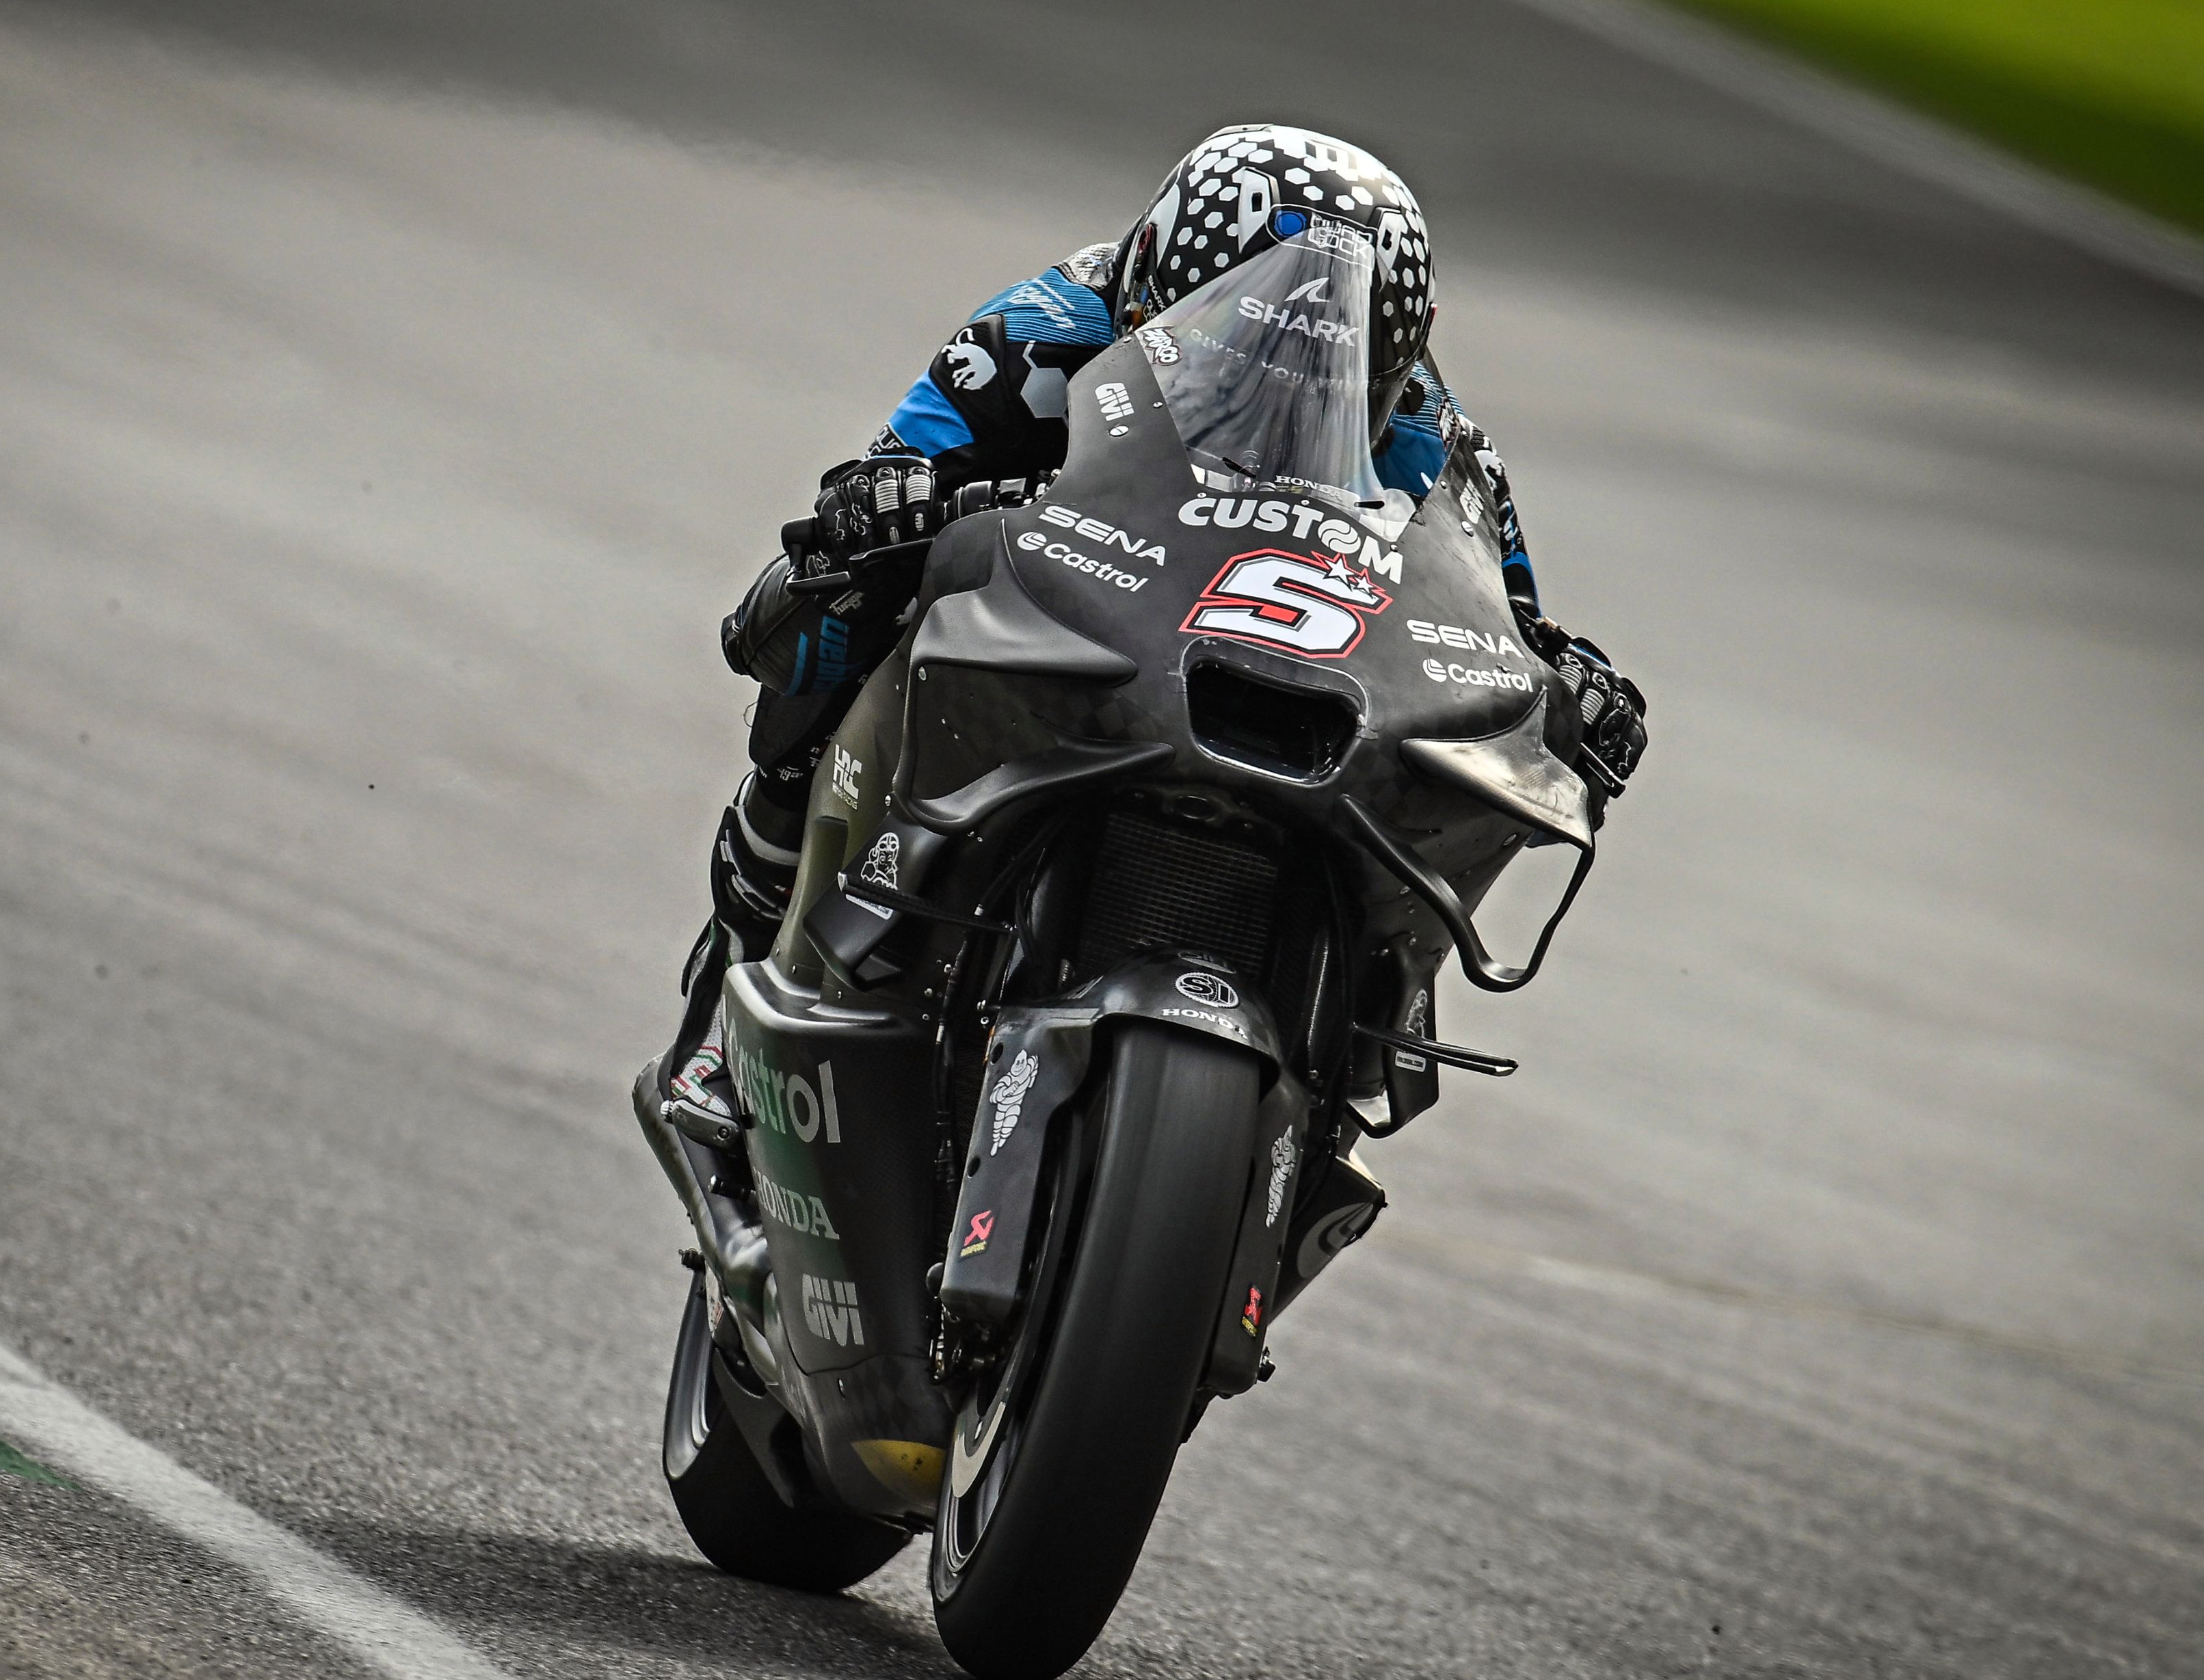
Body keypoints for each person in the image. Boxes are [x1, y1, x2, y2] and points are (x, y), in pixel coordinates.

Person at [651, 124, 1647, 1141]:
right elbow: (876, 490)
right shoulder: (1035, 337)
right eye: (1236, 350)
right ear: (1147, 291)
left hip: (1276, 655)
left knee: (1447, 771)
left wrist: (1571, 689)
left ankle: (1344, 1056)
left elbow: (1499, 616)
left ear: (1396, 359)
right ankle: (739, 969)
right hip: (1078, 605)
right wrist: (887, 510)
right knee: (828, 612)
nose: (1275, 388)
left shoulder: (1432, 436)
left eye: (1320, 376)